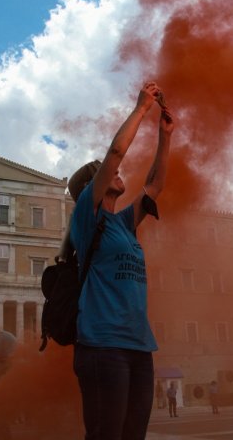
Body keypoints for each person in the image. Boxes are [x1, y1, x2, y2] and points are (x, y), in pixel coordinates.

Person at [67, 81, 174, 440]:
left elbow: (155, 186)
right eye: (102, 172)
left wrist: (165, 135)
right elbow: (115, 153)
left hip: (138, 345)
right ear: (89, 188)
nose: (115, 171)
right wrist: (142, 108)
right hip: (102, 346)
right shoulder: (87, 216)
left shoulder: (124, 223)